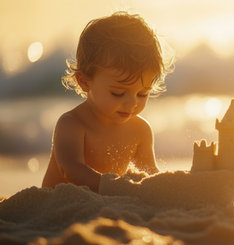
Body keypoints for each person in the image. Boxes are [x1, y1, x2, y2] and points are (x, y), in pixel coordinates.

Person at [42, 11, 173, 192]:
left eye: (142, 94)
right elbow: (71, 170)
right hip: (59, 206)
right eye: (118, 93)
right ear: (85, 81)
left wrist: (169, 186)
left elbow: (149, 174)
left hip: (103, 203)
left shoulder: (140, 130)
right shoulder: (72, 124)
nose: (132, 103)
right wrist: (115, 187)